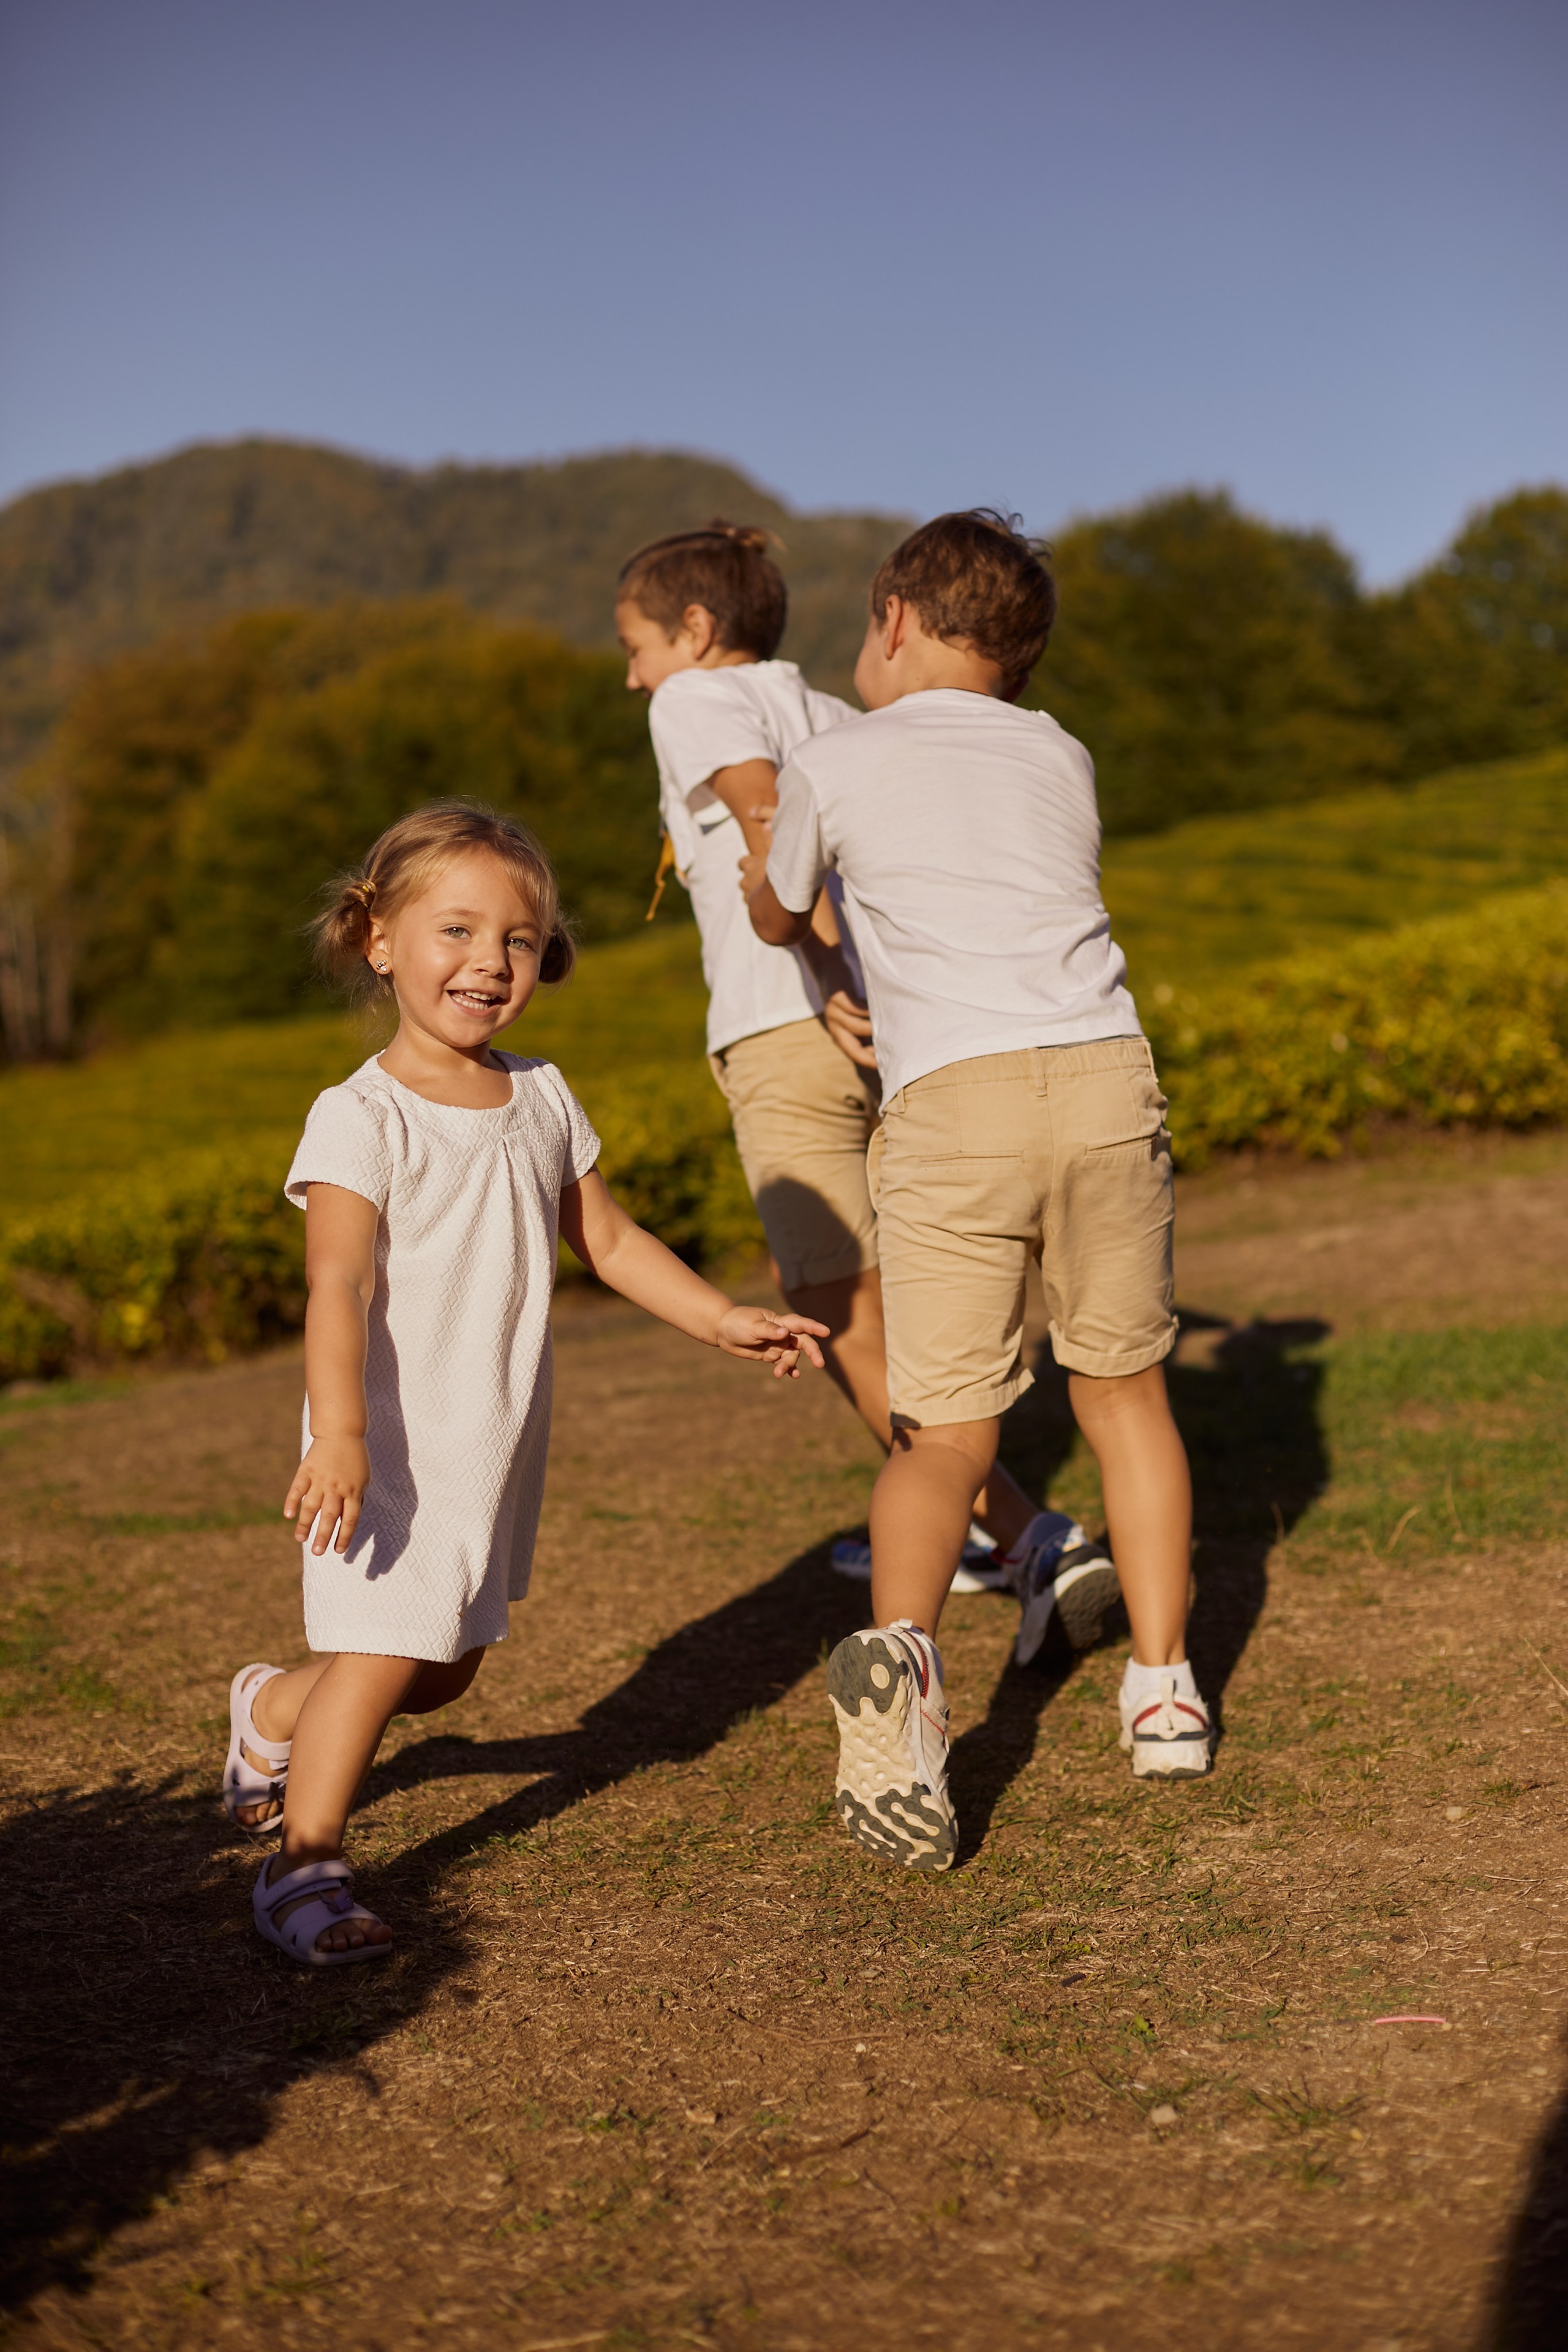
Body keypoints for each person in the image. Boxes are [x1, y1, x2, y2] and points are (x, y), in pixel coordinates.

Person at [221, 801, 827, 1964]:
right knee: (388, 1648)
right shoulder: (359, 1117)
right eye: (455, 931)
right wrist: (338, 1434)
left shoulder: (540, 1093)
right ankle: (303, 1866)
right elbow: (337, 1285)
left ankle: (268, 1711)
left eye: (515, 939)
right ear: (378, 937)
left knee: (440, 1673)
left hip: (487, 1433)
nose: (487, 963)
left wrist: (719, 1318)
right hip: (385, 1436)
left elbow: (608, 1239)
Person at [747, 511, 1211, 1874]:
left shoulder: (834, 755)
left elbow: (782, 911)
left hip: (954, 1100)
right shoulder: (1058, 750)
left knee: (941, 1440)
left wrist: (762, 858)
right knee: (1124, 1397)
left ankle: (903, 1690)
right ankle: (1165, 1694)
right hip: (1102, 1075)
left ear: (893, 618)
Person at [616, 521, 1117, 1624]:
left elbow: (764, 825)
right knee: (894, 1302)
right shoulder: (836, 710)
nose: (633, 671)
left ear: (696, 632)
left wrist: (821, 961)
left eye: (638, 643)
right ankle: (986, 1521)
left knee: (839, 1311)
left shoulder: (692, 700)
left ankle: (1024, 1536)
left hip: (787, 1029)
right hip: (890, 1040)